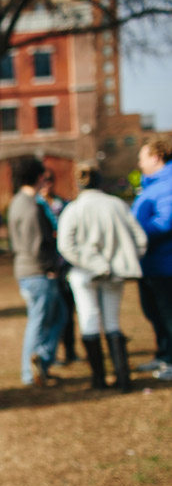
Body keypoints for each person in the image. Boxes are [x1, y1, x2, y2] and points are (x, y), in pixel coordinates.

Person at [57, 163, 147, 391]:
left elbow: (65, 246)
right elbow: (140, 239)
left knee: (89, 321)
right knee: (112, 322)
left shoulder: (74, 209)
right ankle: (122, 377)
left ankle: (99, 379)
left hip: (84, 274)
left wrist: (90, 263)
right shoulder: (116, 205)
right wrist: (123, 260)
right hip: (114, 273)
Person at [7, 157, 67, 387]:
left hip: (28, 270)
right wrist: (50, 268)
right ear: (39, 177)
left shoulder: (18, 201)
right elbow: (37, 243)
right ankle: (32, 370)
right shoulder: (31, 206)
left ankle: (40, 361)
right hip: (37, 272)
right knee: (41, 320)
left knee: (56, 316)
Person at [132, 137, 172, 381]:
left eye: (142, 156)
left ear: (156, 157)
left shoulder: (167, 184)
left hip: (165, 265)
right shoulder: (152, 185)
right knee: (154, 312)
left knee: (168, 314)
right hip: (150, 264)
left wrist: (136, 233)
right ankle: (164, 355)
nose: (139, 162)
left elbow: (166, 223)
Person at [39, 168, 79, 365]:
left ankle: (70, 350)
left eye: (50, 180)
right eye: (43, 180)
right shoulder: (35, 206)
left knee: (68, 311)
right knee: (50, 314)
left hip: (65, 264)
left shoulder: (62, 204)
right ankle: (49, 355)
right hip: (46, 267)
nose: (47, 184)